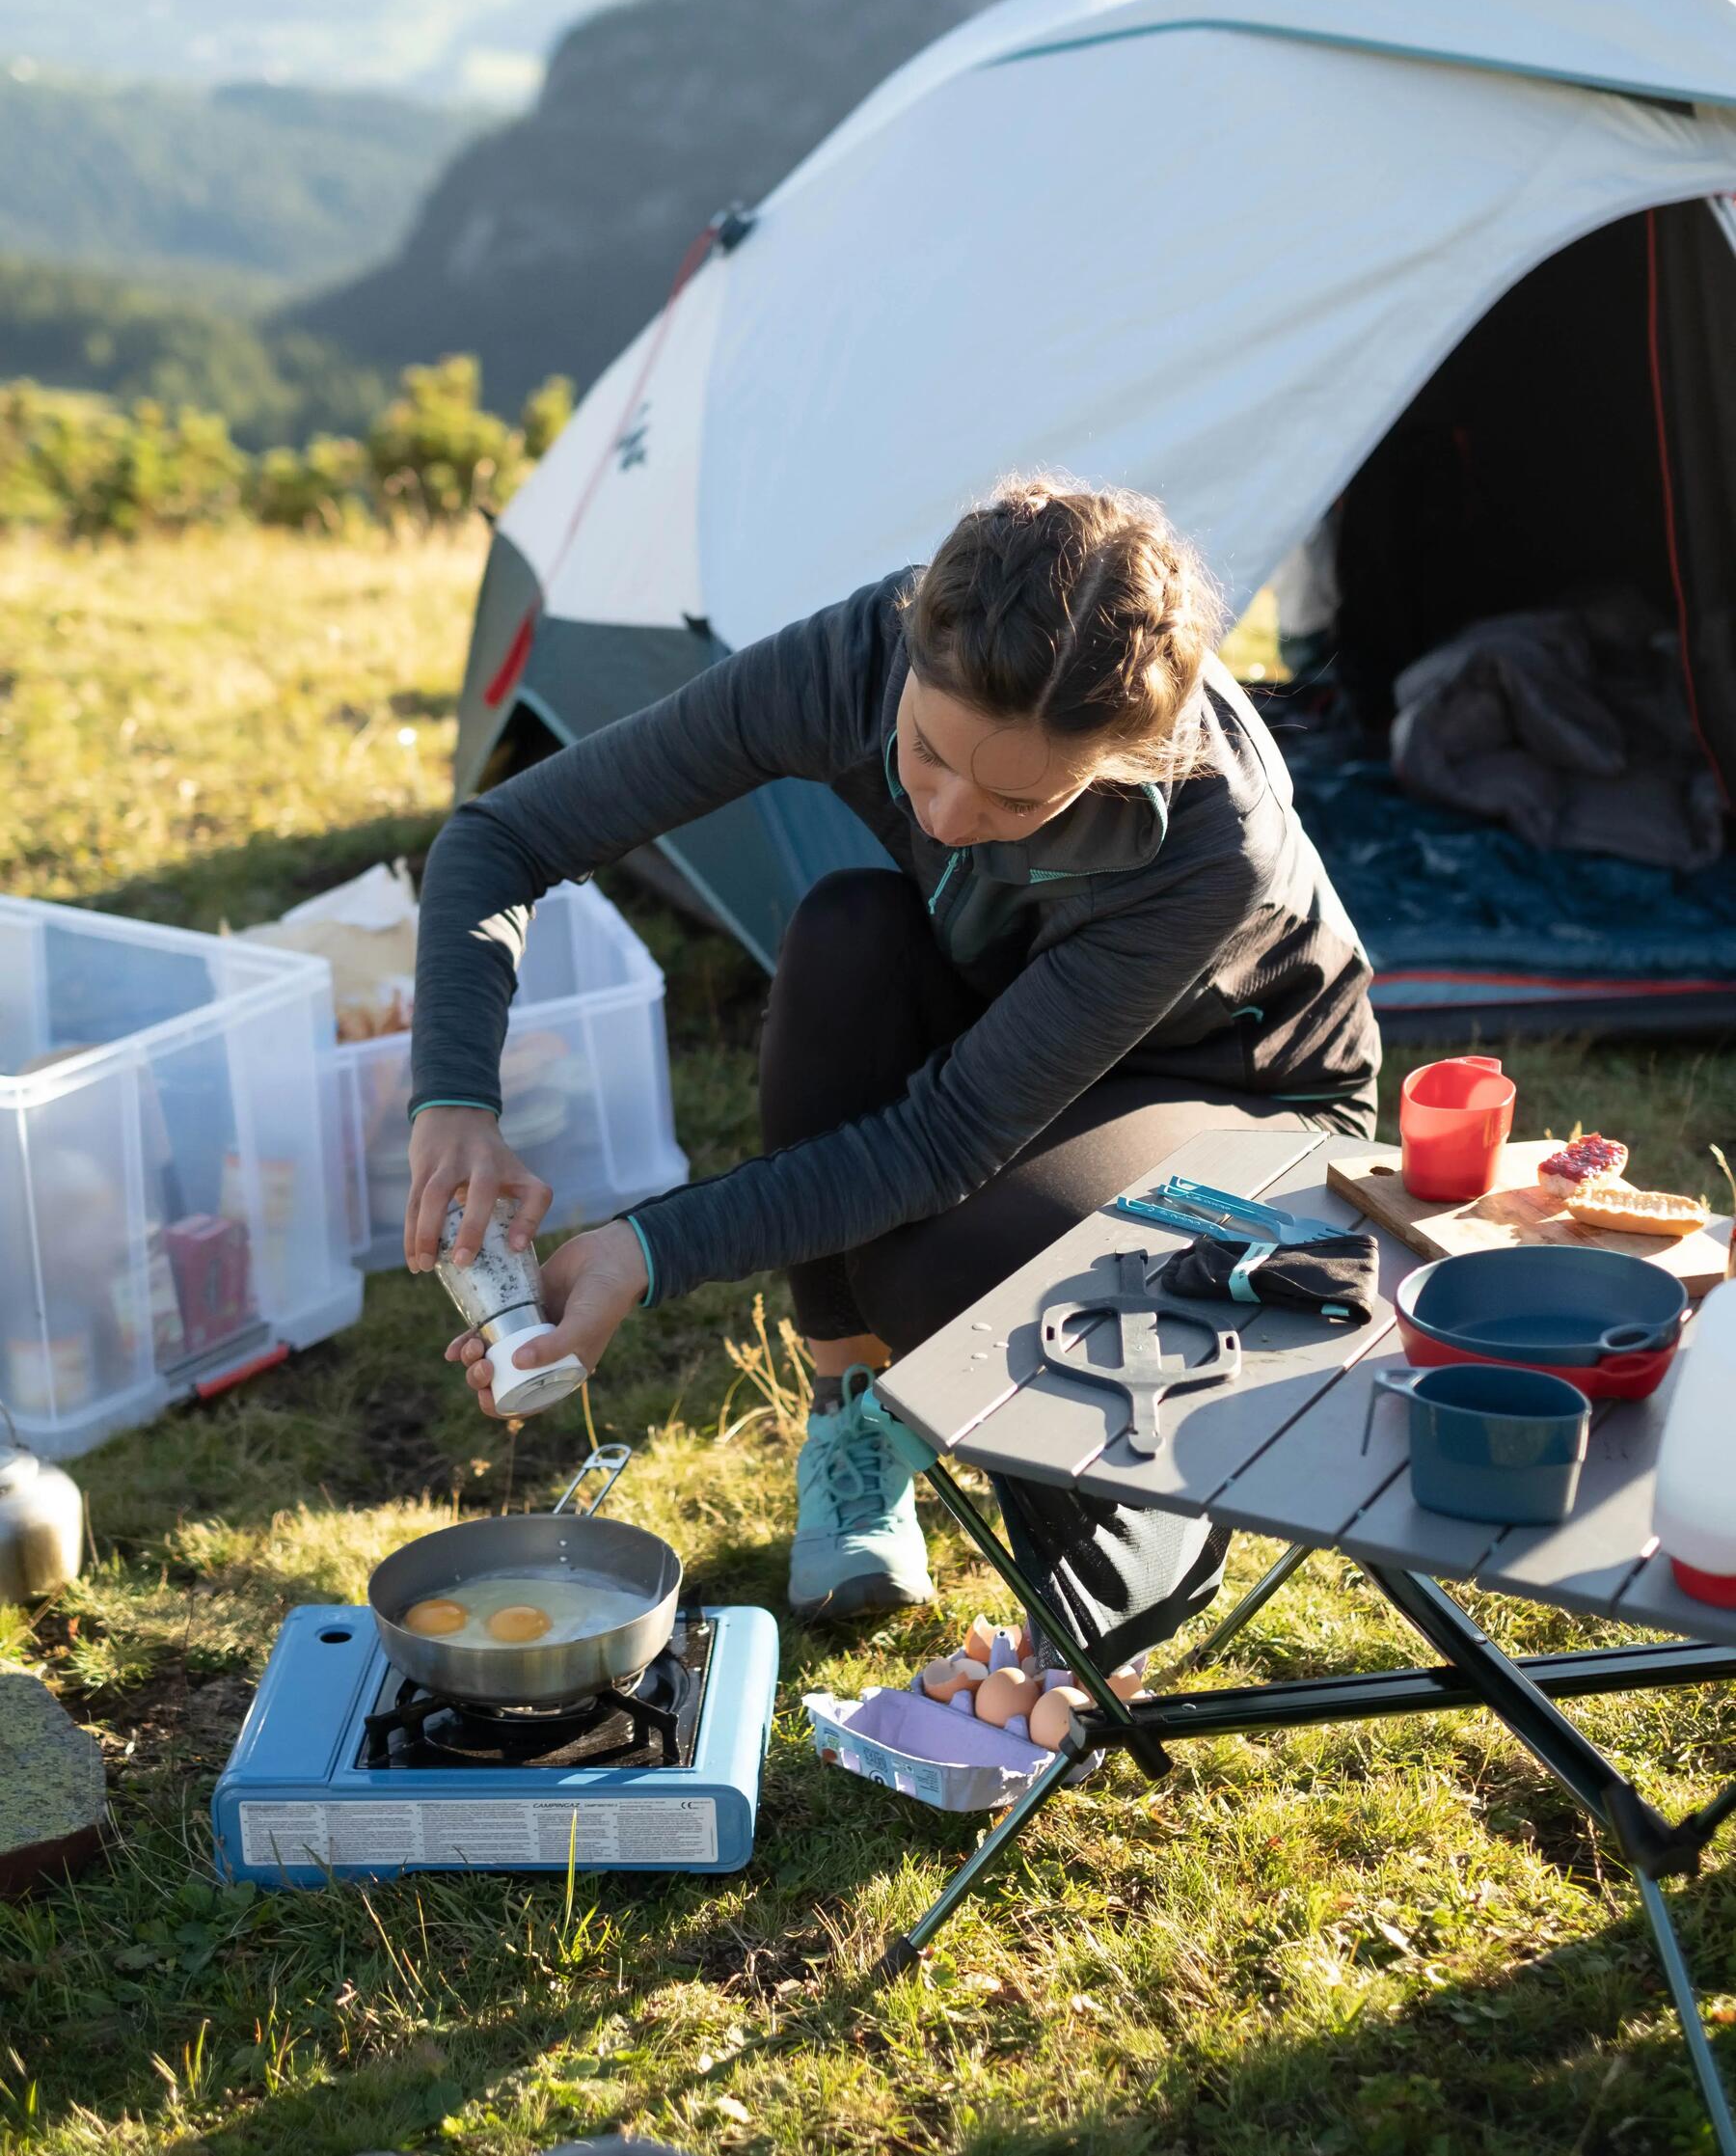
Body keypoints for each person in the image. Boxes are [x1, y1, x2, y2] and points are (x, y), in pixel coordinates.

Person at [405, 477, 1379, 1659]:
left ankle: (1135, 1538)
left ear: (1115, 763)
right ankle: (853, 1419)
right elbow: (503, 835)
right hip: (1015, 1011)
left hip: (1235, 1091)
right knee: (847, 934)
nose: (953, 811)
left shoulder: (1209, 843)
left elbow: (937, 1144)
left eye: (1022, 795)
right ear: (912, 653)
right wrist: (455, 1095)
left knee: (947, 1257)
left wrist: (642, 1249)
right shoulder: (859, 653)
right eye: (924, 751)